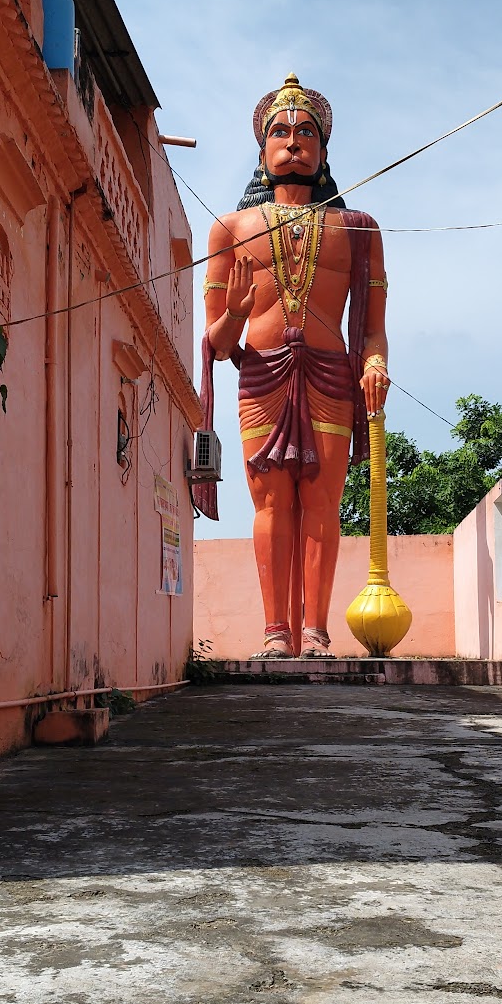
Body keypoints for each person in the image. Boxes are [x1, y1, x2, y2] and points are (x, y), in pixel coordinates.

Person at [199, 74, 389, 658]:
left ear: (324, 149)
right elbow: (217, 342)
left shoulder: (357, 230)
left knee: (322, 501)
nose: (293, 142)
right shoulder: (230, 230)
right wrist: (234, 313)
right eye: (279, 132)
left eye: (306, 132)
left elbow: (374, 323)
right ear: (261, 151)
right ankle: (275, 633)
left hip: (332, 375)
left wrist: (376, 363)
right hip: (262, 373)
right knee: (272, 502)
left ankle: (316, 632)